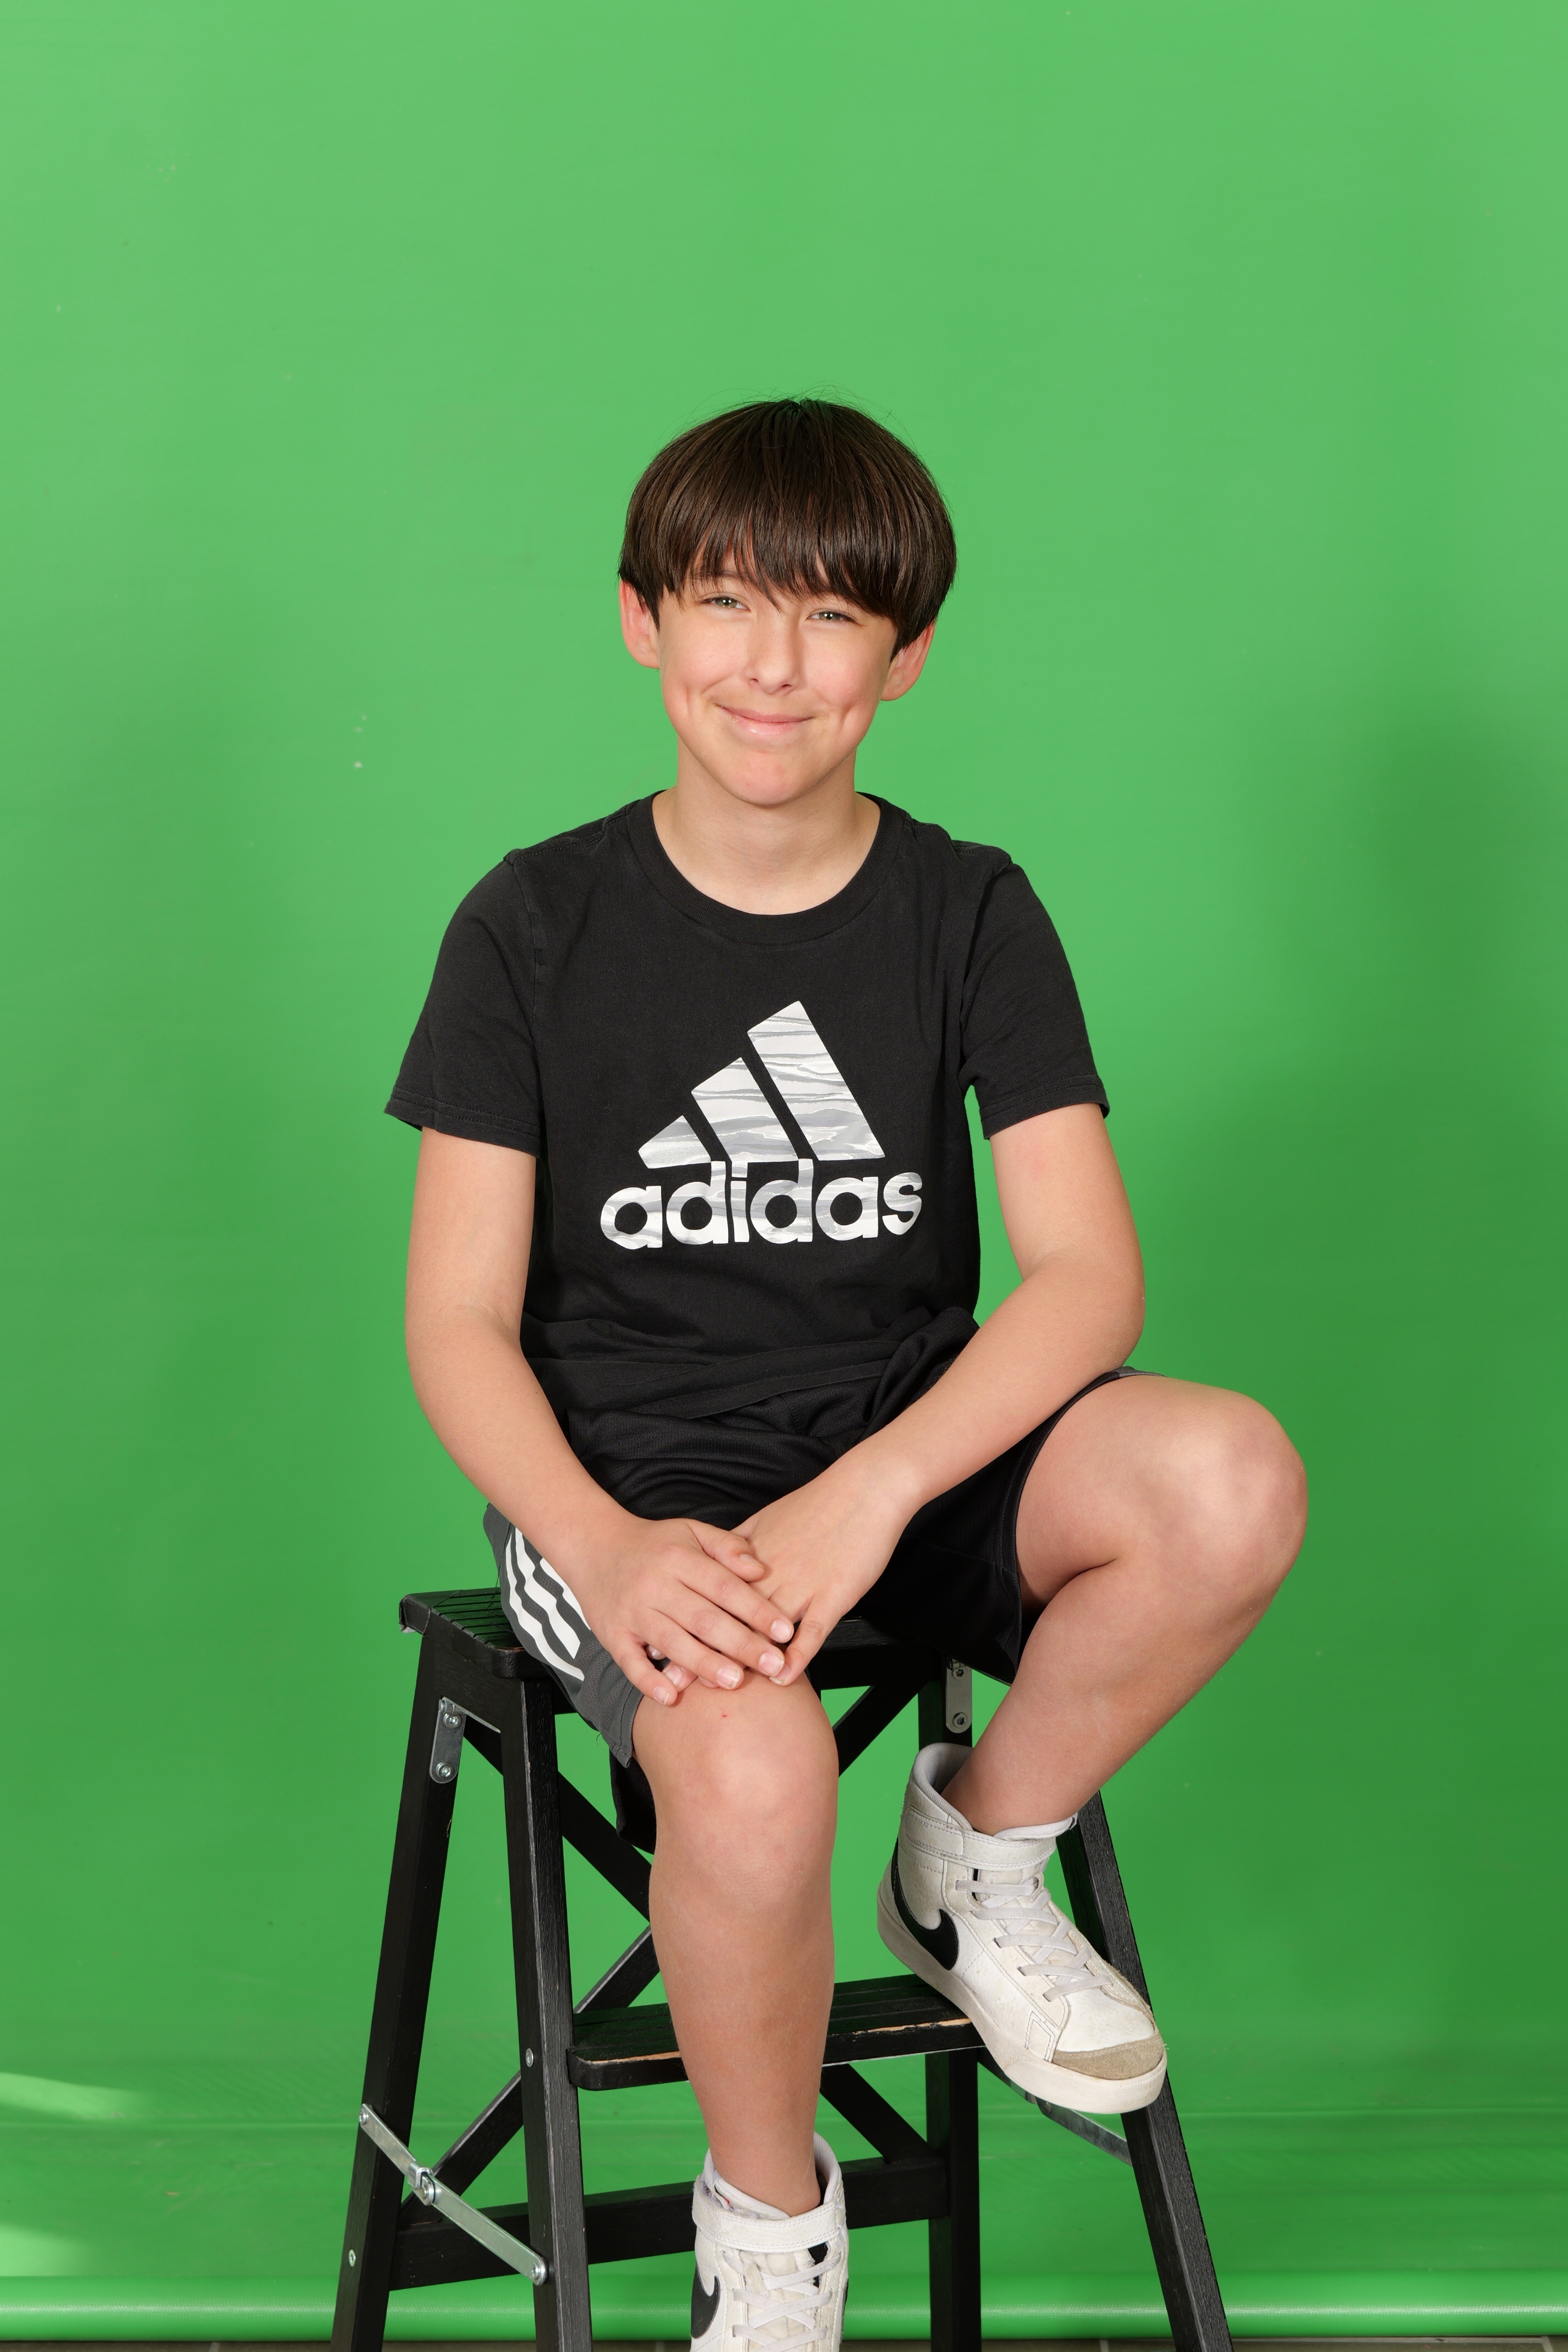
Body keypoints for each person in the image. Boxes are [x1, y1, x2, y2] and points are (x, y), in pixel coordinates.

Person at [388, 398, 1306, 2352]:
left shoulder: (967, 907)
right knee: (750, 1763)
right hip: (638, 1490)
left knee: (1229, 1477)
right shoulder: (531, 924)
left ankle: (974, 1856)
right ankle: (774, 2234)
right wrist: (606, 1548)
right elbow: (455, 1324)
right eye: (729, 603)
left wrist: (875, 1492)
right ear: (642, 619)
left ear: (907, 655)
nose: (775, 665)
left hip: (904, 1453)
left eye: (831, 618)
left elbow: (1088, 1279)